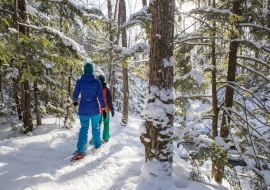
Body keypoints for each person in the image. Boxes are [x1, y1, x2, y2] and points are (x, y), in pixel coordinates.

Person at [71, 63, 107, 162]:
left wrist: (75, 101)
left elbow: (75, 94)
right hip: (95, 109)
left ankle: (81, 151)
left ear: (84, 71)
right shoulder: (97, 82)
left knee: (84, 129)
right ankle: (97, 145)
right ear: (92, 71)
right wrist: (104, 108)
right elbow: (100, 96)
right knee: (95, 127)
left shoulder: (80, 82)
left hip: (83, 109)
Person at [89, 75, 114, 144]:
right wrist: (112, 109)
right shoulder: (107, 90)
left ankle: (95, 138)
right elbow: (109, 101)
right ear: (104, 81)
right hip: (105, 109)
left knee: (97, 124)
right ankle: (105, 138)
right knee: (106, 123)